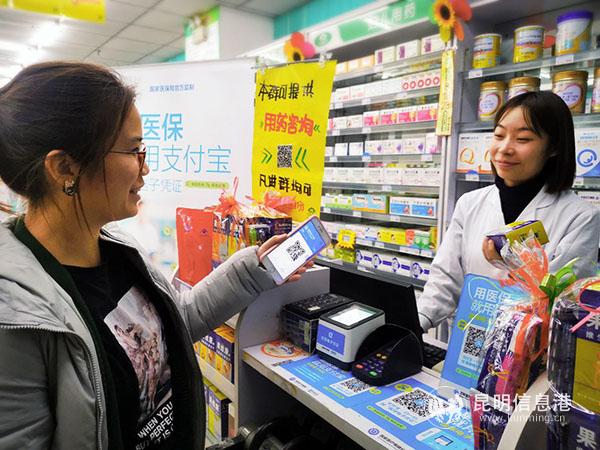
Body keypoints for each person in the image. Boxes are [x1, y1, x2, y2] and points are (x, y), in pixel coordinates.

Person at [0, 62, 312, 450]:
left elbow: (171, 328)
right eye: (133, 150)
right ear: (65, 167)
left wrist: (253, 270)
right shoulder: (14, 314)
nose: (145, 167)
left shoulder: (116, 249)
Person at [418, 91, 600, 332]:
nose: (504, 148)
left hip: (532, 347)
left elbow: (563, 303)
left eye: (523, 139)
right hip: (468, 338)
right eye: (499, 135)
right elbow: (445, 279)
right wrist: (415, 324)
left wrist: (511, 264)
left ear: (554, 147)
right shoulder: (470, 203)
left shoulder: (580, 216)